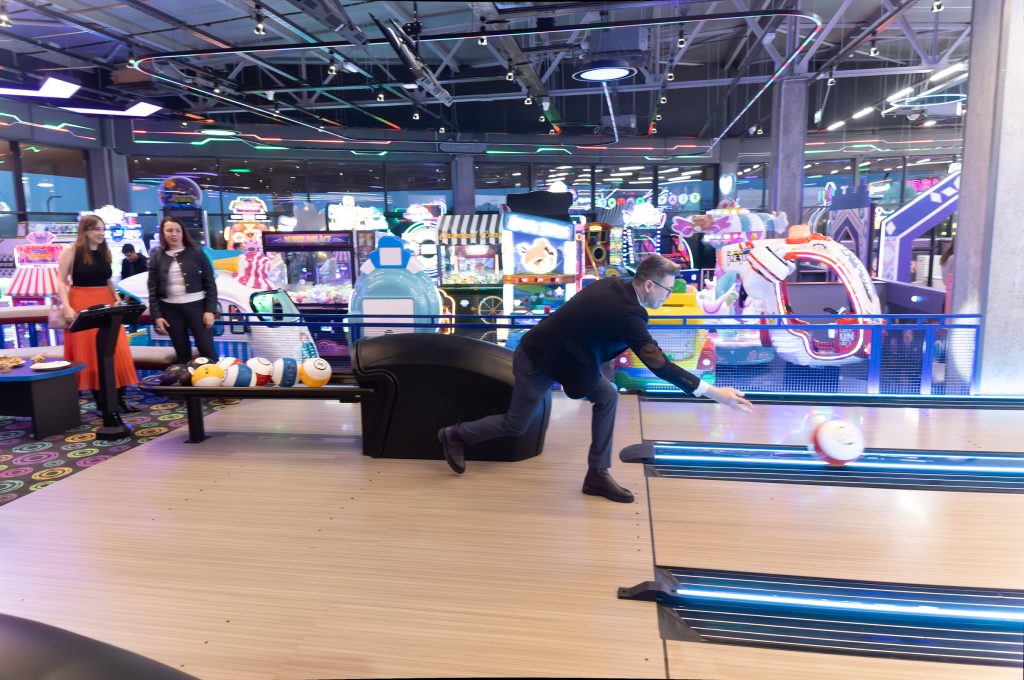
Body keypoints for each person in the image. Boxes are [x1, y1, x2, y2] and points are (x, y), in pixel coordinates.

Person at [438, 254, 753, 503]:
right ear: (649, 285)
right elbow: (658, 364)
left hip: (569, 359)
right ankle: (455, 435)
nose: (667, 297)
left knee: (608, 395)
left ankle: (597, 474)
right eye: (667, 290)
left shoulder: (615, 285)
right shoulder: (627, 313)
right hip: (538, 360)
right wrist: (714, 393)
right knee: (516, 425)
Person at [57, 215, 140, 413]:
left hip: (107, 304)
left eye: (103, 229)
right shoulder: (71, 250)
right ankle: (102, 402)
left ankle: (120, 398)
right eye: (96, 229)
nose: (101, 233)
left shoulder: (105, 251)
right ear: (85, 230)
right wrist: (67, 306)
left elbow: (108, 279)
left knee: (117, 349)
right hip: (81, 303)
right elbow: (61, 280)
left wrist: (116, 298)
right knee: (91, 353)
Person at [147, 217, 218, 364]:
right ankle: (185, 378)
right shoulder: (156, 257)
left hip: (197, 308)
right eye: (169, 230)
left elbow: (210, 283)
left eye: (177, 230)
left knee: (207, 350)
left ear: (183, 233)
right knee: (181, 352)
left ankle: (213, 377)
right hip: (170, 310)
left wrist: (210, 310)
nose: (174, 234)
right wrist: (157, 316)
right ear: (163, 233)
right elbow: (152, 290)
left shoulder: (196, 252)